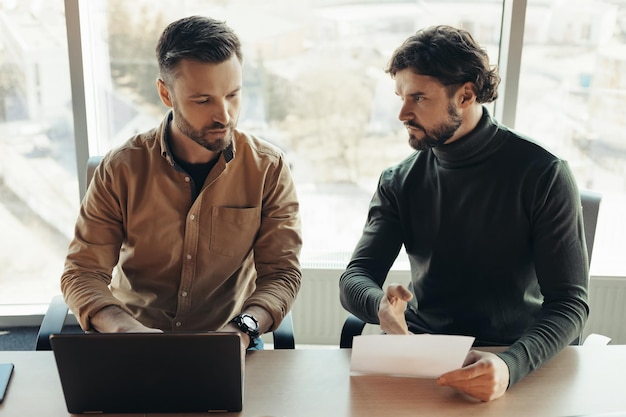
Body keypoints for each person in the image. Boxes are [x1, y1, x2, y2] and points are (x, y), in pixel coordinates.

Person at [339, 25, 589, 401]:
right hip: (425, 354)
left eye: (418, 98)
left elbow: (570, 304)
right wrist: (380, 305)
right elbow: (356, 276)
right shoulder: (399, 180)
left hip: (515, 354)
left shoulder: (543, 173)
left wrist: (508, 367)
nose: (402, 113)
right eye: (400, 97)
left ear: (466, 95)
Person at [61, 15, 302, 351]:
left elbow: (282, 274)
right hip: (133, 340)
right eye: (203, 100)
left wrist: (243, 328)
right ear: (166, 93)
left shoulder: (268, 169)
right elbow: (82, 273)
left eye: (233, 94)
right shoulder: (120, 169)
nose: (225, 115)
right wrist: (125, 330)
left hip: (231, 339)